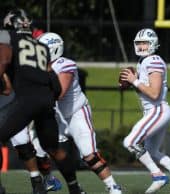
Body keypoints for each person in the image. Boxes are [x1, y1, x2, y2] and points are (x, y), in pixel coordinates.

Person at [0, 9, 84, 194]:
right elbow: (53, 80)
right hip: (46, 99)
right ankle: (75, 188)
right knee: (54, 149)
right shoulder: (42, 47)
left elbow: (3, 61)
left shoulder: (7, 37)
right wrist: (48, 101)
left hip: (25, 99)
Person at [36, 32, 122, 194]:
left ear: (52, 50)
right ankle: (49, 180)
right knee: (38, 150)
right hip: (56, 114)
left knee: (89, 155)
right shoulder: (38, 66)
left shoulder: (64, 64)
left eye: (41, 49)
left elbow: (58, 92)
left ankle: (113, 187)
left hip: (76, 113)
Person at [120, 28, 170, 194]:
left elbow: (154, 93)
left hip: (158, 110)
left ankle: (158, 176)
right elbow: (143, 87)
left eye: (144, 43)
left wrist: (134, 81)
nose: (141, 46)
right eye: (138, 43)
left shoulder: (154, 60)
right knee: (152, 151)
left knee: (130, 142)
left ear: (152, 44)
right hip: (154, 111)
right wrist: (129, 83)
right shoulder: (143, 62)